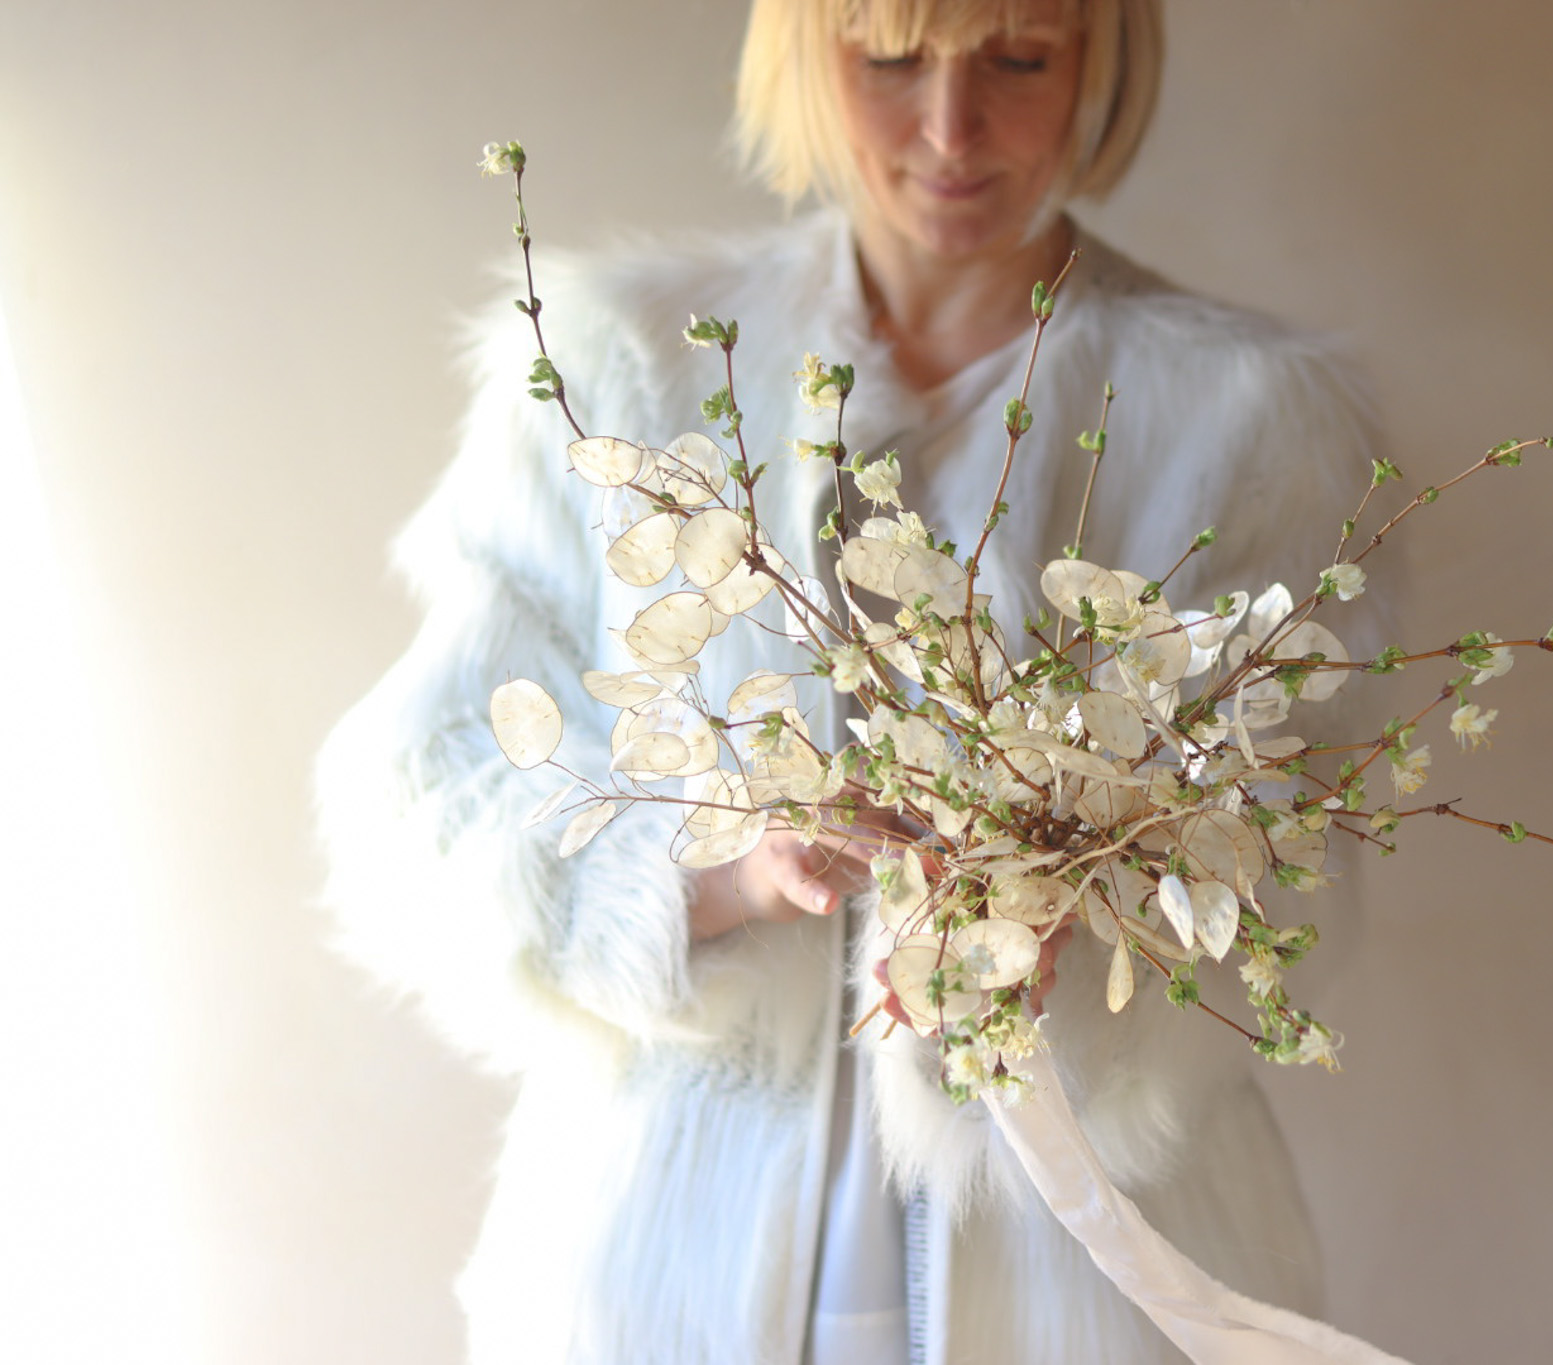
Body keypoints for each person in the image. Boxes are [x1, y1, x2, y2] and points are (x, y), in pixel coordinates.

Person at [317, 1, 1387, 1360]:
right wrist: (709, 876)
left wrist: (1072, 932)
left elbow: (1289, 854)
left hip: (1088, 1266)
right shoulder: (623, 362)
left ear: (1099, 57)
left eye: (1018, 57)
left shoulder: (1245, 419)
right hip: (667, 1245)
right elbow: (436, 782)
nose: (951, 128)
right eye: (889, 58)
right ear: (805, 54)